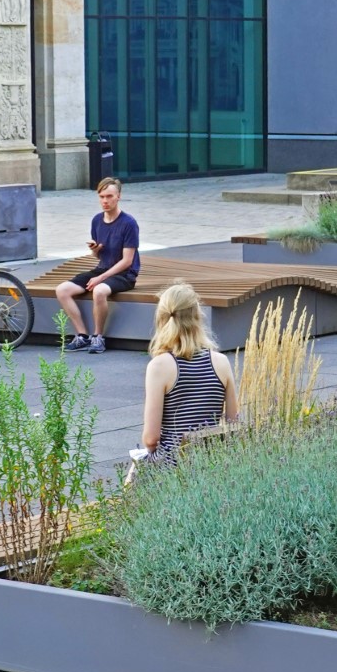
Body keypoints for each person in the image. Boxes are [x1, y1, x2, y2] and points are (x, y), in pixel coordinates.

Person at [139, 282, 238, 465]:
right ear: (197, 317)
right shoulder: (221, 362)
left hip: (173, 465)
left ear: (161, 319)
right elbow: (233, 423)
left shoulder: (159, 366)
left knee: (130, 480)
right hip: (212, 462)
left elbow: (151, 439)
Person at [57, 176, 140, 354]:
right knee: (62, 290)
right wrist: (96, 250)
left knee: (99, 290)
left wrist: (100, 278)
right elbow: (98, 256)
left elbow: (127, 261)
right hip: (103, 269)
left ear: (118, 196)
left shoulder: (129, 223)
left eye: (109, 196)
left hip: (125, 275)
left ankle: (98, 337)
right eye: (101, 196)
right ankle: (82, 335)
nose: (105, 201)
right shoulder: (97, 220)